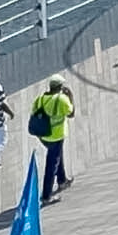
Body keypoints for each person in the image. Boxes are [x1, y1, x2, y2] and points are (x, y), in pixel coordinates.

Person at [30, 75, 75, 203]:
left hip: (43, 136)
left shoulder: (40, 99)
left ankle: (62, 180)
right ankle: (46, 196)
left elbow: (34, 113)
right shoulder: (62, 100)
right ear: (60, 87)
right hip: (56, 135)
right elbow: (71, 113)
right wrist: (70, 96)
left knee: (57, 156)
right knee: (52, 165)